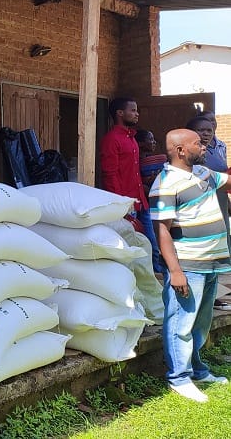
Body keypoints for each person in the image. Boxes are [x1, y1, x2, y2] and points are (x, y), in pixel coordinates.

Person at [150, 128, 231, 403]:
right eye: (197, 143)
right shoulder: (165, 184)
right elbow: (162, 230)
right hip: (188, 265)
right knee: (181, 322)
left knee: (200, 323)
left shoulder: (202, 173)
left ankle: (197, 369)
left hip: (210, 263)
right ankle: (179, 378)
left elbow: (227, 182)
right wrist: (175, 271)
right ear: (181, 150)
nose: (204, 146)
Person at [99, 97, 166, 275]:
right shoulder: (112, 139)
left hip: (141, 201)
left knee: (151, 244)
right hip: (126, 204)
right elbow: (110, 174)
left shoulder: (132, 139)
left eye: (137, 110)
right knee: (132, 246)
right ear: (120, 113)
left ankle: (155, 279)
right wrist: (120, 204)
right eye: (133, 110)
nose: (137, 114)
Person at [186, 115, 231, 311]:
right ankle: (205, 296)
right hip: (199, 202)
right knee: (204, 248)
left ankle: (214, 293)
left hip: (218, 199)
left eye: (208, 130)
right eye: (200, 130)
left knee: (219, 245)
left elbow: (222, 177)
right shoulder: (189, 153)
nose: (205, 134)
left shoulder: (218, 148)